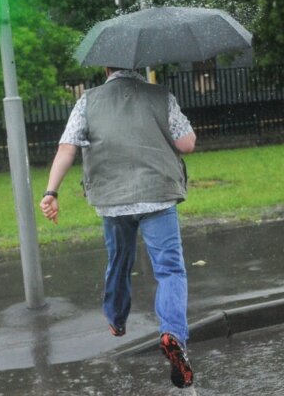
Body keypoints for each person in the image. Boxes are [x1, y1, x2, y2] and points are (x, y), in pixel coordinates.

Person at [39, 67, 197, 388]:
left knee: (119, 262)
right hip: (158, 193)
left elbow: (67, 147)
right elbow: (187, 144)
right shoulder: (160, 95)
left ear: (106, 68)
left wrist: (51, 192)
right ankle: (172, 334)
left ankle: (116, 319)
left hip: (112, 199)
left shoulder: (89, 101)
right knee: (169, 270)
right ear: (137, 65)